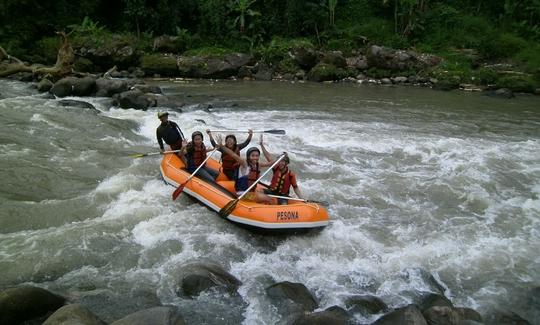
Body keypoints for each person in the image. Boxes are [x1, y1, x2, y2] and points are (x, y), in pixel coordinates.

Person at [260, 135, 303, 205]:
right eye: (280, 161)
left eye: (283, 161)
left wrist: (302, 198)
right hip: (272, 192)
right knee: (259, 191)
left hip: (282, 196)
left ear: (286, 163)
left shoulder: (290, 175)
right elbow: (267, 156)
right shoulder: (275, 167)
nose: (281, 163)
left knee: (284, 205)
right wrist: (261, 145)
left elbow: (296, 188)